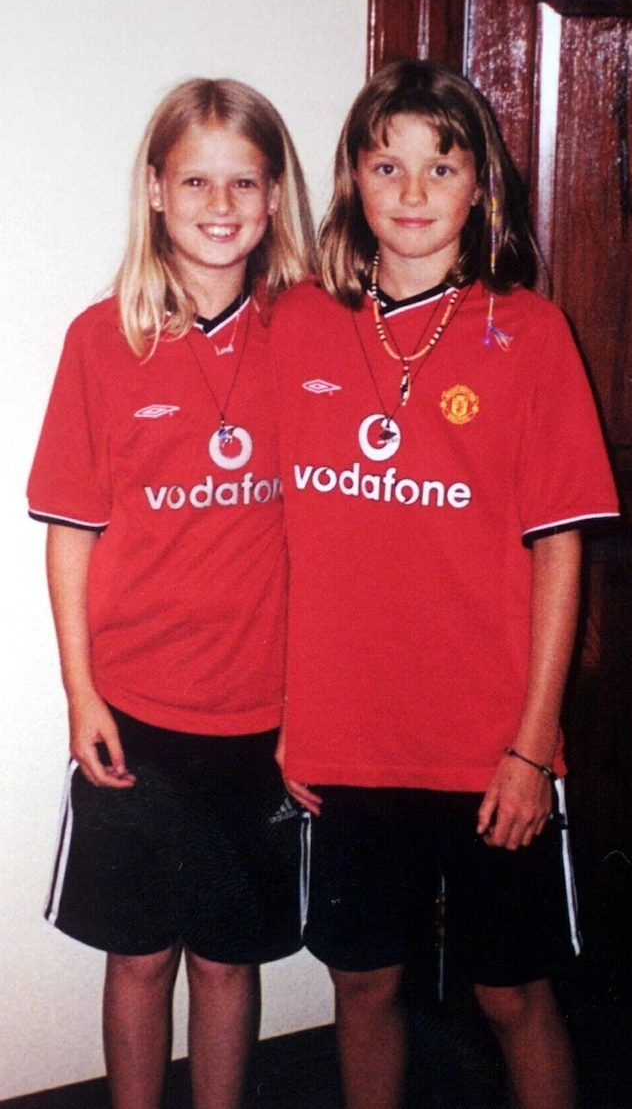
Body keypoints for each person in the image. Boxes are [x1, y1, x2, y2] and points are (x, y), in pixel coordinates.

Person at [271, 59, 619, 1109]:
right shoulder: (299, 325)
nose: (413, 192)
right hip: (347, 747)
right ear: (353, 182)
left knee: (511, 995)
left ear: (482, 189)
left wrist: (530, 743)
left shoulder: (531, 333)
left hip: (487, 748)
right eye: (388, 164)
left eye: (441, 165)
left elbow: (561, 549)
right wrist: (291, 719)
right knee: (363, 979)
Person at [27, 78, 315, 1109]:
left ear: (276, 196)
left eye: (244, 179)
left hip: (267, 721)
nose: (220, 201)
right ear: (155, 190)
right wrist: (81, 693)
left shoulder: (313, 338)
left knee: (230, 959)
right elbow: (71, 533)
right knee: (141, 957)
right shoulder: (100, 340)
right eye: (195, 178)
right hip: (136, 719)